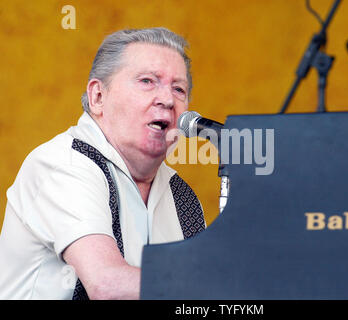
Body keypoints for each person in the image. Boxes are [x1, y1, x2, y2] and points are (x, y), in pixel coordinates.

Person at [0, 28, 206, 300]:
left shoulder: (183, 200)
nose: (168, 100)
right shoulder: (63, 163)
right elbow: (107, 285)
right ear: (98, 97)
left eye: (179, 89)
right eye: (147, 81)